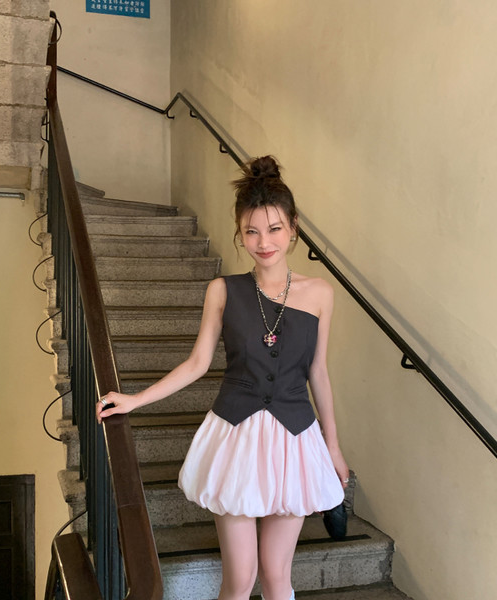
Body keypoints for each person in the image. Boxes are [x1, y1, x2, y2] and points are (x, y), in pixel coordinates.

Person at [97, 155, 349, 600]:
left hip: (295, 440)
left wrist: (333, 447)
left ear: (293, 227)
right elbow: (197, 363)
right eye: (251, 231)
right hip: (236, 437)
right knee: (240, 579)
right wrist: (135, 400)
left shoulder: (321, 294)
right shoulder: (223, 290)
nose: (263, 242)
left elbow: (318, 372)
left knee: (277, 577)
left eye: (274, 229)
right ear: (239, 232)